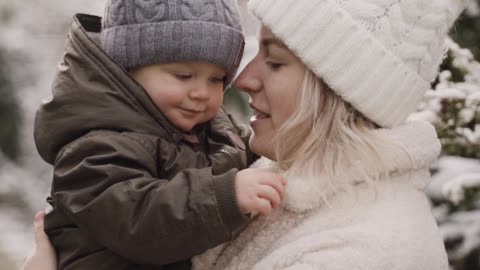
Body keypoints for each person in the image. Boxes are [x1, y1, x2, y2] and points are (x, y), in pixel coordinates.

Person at [24, 0, 465, 269]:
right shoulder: (277, 172)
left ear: (338, 90)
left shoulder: (361, 253)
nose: (241, 80)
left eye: (273, 61)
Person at [31, 0, 286, 269]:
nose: (202, 92)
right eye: (184, 75)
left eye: (217, 79)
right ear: (128, 68)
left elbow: (241, 149)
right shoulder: (95, 144)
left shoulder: (206, 125)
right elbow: (137, 219)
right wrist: (224, 197)